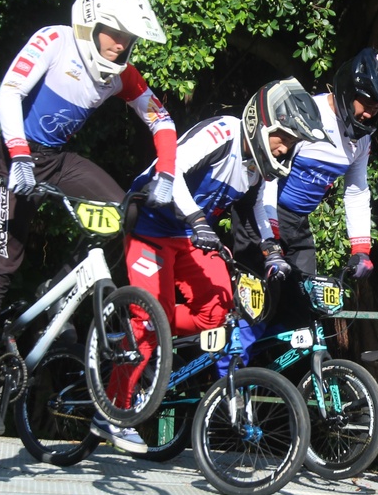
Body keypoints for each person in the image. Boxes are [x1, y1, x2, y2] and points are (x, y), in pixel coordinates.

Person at [0, 0, 178, 440]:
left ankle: (60, 286)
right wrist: (19, 156)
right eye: (113, 33)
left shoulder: (120, 74)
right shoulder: (56, 41)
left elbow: (161, 120)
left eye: (128, 38)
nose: (120, 45)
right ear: (90, 22)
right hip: (15, 156)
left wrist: (166, 173)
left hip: (57, 161)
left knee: (126, 211)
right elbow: (8, 93)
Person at [119, 77, 327, 395]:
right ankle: (114, 405)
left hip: (190, 234)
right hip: (150, 225)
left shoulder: (260, 163)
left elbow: (260, 206)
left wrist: (271, 249)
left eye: (292, 142)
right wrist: (197, 219)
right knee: (148, 318)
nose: (285, 148)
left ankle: (149, 327)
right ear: (262, 123)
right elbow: (170, 170)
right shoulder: (223, 132)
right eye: (283, 137)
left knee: (217, 312)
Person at [231, 47, 378, 337]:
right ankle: (233, 365)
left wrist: (361, 249)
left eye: (376, 109)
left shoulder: (362, 139)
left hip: (298, 222)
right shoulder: (308, 115)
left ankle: (275, 368)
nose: (368, 114)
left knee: (303, 312)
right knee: (257, 308)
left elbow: (356, 191)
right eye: (366, 104)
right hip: (260, 214)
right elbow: (268, 177)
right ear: (347, 91)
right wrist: (271, 238)